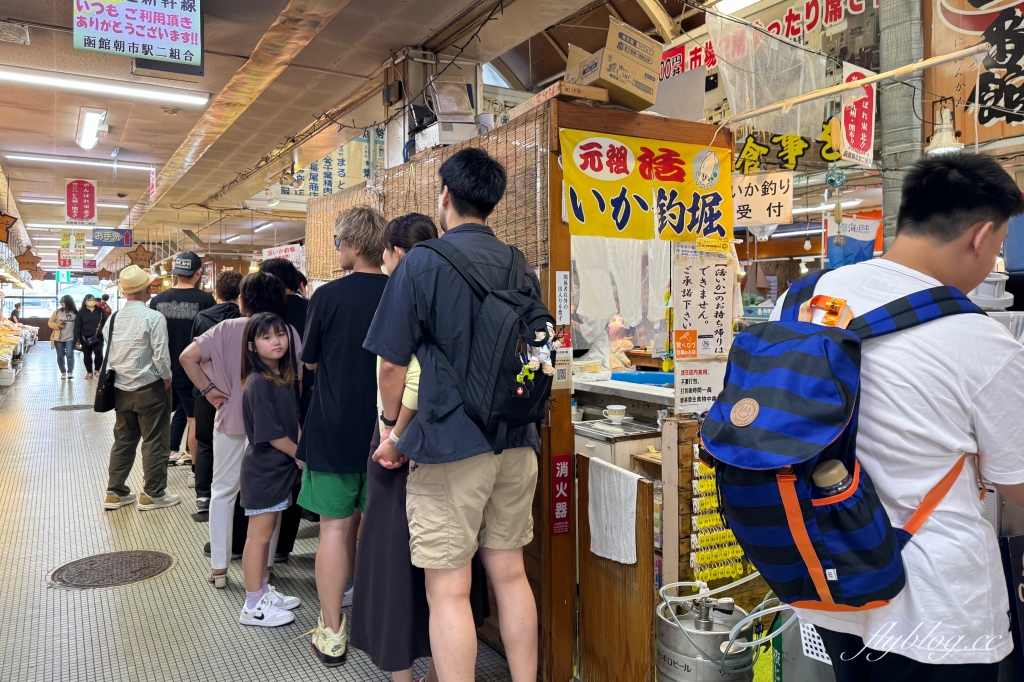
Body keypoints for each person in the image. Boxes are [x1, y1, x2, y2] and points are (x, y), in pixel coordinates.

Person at [768, 153, 1024, 681]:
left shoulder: (801, 301)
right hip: (937, 609)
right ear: (980, 236)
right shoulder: (981, 341)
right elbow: (1018, 482)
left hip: (830, 580)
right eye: (998, 248)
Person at [365, 149, 541, 682]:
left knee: (449, 588)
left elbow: (392, 365)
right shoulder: (519, 262)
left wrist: (393, 431)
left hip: (448, 444)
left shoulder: (422, 263)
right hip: (517, 436)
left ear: (445, 196)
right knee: (511, 574)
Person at [352, 213, 489, 682]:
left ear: (394, 253)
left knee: (399, 563)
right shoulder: (460, 279)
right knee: (445, 570)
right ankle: (435, 672)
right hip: (462, 441)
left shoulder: (410, 281)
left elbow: (403, 372)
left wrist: (393, 431)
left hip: (409, 442)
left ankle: (406, 674)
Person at [298, 206, 389, 666]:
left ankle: (332, 631)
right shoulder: (401, 291)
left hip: (333, 428)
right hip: (389, 434)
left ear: (353, 245)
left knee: (335, 528)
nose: (337, 249)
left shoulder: (328, 297)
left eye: (337, 241)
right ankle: (380, 622)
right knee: (377, 529)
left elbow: (309, 361)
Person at [179, 272, 295, 589]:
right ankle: (266, 567)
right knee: (274, 496)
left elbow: (187, 357)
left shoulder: (226, 328)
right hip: (274, 428)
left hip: (230, 420)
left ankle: (219, 568)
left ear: (243, 300)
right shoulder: (286, 333)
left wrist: (209, 390)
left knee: (223, 491)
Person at [238, 312, 303, 627]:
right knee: (259, 537)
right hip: (265, 470)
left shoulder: (282, 375)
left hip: (277, 469)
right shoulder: (258, 381)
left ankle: (262, 590)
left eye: (280, 333)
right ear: (252, 345)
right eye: (267, 337)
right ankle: (253, 604)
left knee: (266, 534)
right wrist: (300, 454)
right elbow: (272, 433)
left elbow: (292, 421)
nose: (276, 341)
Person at [101, 265, 179, 512]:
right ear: (147, 289)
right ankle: (153, 494)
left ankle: (115, 492)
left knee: (123, 440)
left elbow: (111, 350)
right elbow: (161, 355)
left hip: (120, 389)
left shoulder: (112, 319)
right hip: (150, 388)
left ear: (125, 292)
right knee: (155, 441)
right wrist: (166, 378)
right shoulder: (154, 317)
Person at [258, 257, 310, 563]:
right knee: (298, 468)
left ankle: (268, 548)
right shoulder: (309, 307)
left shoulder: (265, 315)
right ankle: (283, 546)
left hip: (275, 395)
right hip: (307, 394)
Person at [150, 252, 216, 468]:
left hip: (162, 371)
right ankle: (197, 470)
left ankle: (161, 463)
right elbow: (211, 336)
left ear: (175, 272)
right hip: (196, 369)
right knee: (195, 419)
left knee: (160, 420)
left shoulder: (157, 301)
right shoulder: (206, 300)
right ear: (199, 272)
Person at [190, 271, 243, 513]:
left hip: (207, 389)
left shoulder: (202, 318)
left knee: (205, 442)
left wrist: (205, 387)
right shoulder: (247, 318)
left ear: (218, 294)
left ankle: (203, 495)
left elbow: (192, 356)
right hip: (238, 389)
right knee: (238, 443)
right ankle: (238, 494)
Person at [74, 294, 108, 379]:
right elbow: (77, 326)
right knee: (87, 354)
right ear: (85, 301)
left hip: (98, 337)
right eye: (89, 300)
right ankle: (89, 372)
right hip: (85, 337)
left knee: (99, 353)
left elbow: (106, 322)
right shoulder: (81, 312)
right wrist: (76, 340)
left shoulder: (100, 311)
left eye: (93, 299)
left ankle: (97, 370)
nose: (91, 301)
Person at [48, 295, 78, 380]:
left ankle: (70, 372)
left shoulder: (75, 312)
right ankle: (63, 372)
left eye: (63, 301)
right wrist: (58, 326)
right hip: (59, 338)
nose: (62, 303)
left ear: (68, 302)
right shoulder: (57, 312)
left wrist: (78, 339)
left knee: (69, 354)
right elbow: (50, 323)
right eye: (61, 301)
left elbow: (78, 325)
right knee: (60, 355)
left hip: (70, 337)